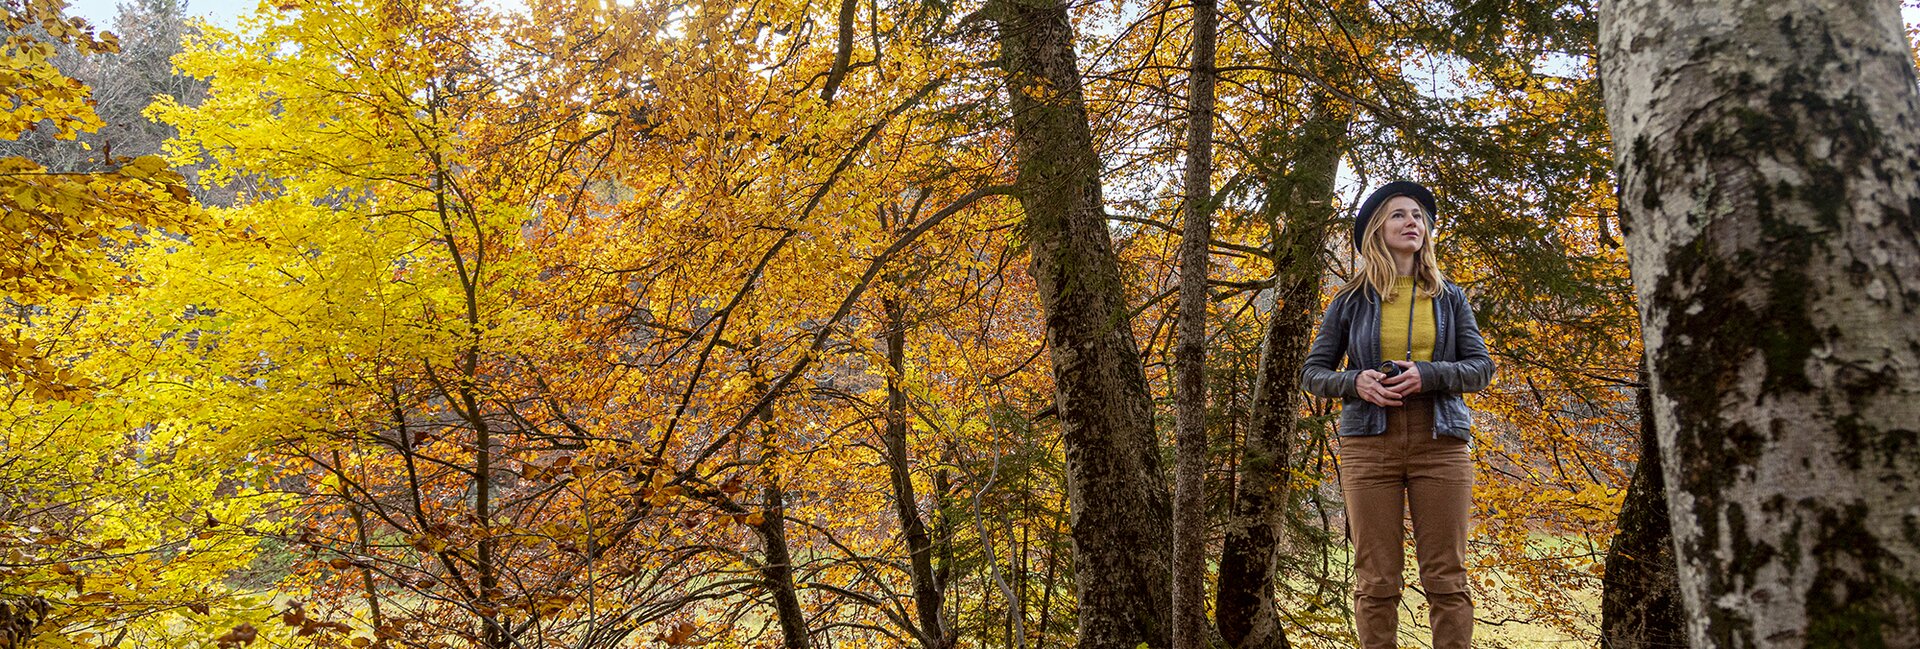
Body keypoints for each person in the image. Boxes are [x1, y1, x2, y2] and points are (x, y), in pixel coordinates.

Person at [1300, 181, 1495, 649]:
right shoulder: (1349, 301)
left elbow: (1481, 368)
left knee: (1446, 579)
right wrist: (1355, 381)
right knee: (1376, 581)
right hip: (1369, 448)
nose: (1413, 222)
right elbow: (1312, 373)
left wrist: (1429, 374)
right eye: (1399, 215)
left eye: (1419, 216)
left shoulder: (1450, 298)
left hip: (1440, 443)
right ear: (1376, 231)